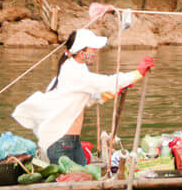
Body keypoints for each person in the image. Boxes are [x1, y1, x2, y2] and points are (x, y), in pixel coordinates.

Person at [12, 29, 154, 164]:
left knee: (84, 178)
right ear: (81, 51)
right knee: (72, 184)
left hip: (71, 141)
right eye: (92, 49)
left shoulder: (77, 68)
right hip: (61, 141)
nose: (96, 52)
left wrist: (116, 90)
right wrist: (137, 74)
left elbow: (89, 99)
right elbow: (106, 81)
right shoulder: (73, 71)